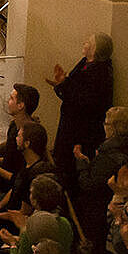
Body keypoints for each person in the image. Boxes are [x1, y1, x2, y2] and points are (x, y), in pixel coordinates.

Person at [48, 32, 115, 186]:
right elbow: (74, 91)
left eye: (88, 42)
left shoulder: (100, 73)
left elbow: (84, 104)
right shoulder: (85, 63)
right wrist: (62, 83)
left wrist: (64, 84)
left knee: (70, 170)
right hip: (70, 124)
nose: (84, 43)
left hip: (81, 132)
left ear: (95, 49)